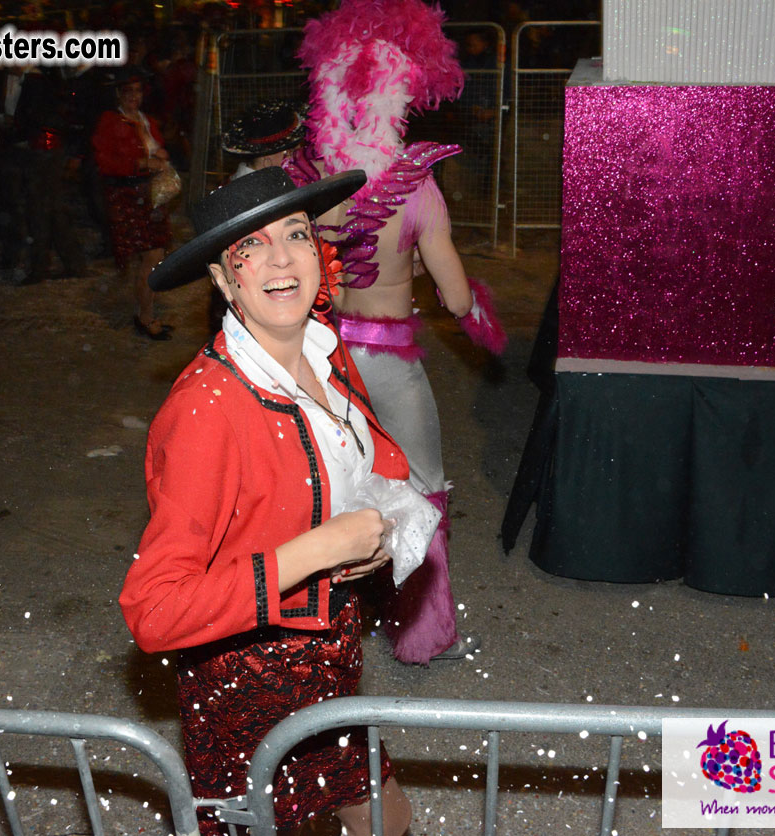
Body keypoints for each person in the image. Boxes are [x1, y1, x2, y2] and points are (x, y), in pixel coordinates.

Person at [120, 166, 413, 836]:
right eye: (250, 246)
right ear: (224, 281)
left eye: (295, 234)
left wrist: (384, 531)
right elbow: (154, 611)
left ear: (318, 251)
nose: (280, 258)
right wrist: (315, 551)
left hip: (333, 659)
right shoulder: (207, 408)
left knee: (385, 818)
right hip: (245, 684)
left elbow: (376, 464)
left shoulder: (325, 352)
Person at [287, 0, 506, 664]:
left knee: (330, 492)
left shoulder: (312, 182)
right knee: (420, 492)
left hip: (322, 360)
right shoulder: (415, 187)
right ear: (401, 94)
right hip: (387, 364)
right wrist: (476, 316)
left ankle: (319, 634)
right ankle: (420, 636)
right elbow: (456, 295)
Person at [91, 67, 175, 340]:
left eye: (137, 91)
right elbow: (105, 162)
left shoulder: (146, 120)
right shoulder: (110, 122)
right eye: (128, 92)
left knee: (153, 258)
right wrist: (141, 163)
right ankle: (145, 316)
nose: (133, 97)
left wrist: (160, 156)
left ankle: (145, 312)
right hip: (128, 196)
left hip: (150, 196)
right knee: (151, 258)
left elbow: (155, 147)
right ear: (118, 94)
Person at [222, 100, 306, 180]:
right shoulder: (253, 188)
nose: (297, 159)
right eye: (290, 152)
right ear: (267, 162)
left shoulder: (254, 181)